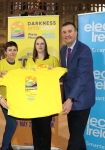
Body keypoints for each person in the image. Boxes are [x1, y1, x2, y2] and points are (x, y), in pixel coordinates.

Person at [60, 22, 95, 150]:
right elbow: (65, 71)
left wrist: (70, 99)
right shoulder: (63, 50)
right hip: (70, 98)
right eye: (64, 32)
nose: (67, 34)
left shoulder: (84, 50)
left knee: (74, 139)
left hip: (82, 99)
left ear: (76, 33)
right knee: (77, 135)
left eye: (69, 31)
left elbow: (82, 78)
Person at [26, 36, 60, 150]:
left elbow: (59, 76)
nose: (40, 46)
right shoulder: (30, 61)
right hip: (34, 99)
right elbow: (26, 78)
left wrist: (53, 70)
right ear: (35, 46)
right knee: (35, 128)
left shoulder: (53, 59)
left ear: (45, 45)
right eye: (37, 44)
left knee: (45, 127)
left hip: (47, 99)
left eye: (42, 43)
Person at [0, 41, 22, 150]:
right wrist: (0, 76)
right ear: (5, 52)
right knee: (12, 124)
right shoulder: (0, 64)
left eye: (14, 50)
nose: (12, 52)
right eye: (10, 50)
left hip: (15, 98)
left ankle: (9, 145)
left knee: (10, 124)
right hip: (3, 98)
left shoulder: (19, 64)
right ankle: (4, 148)